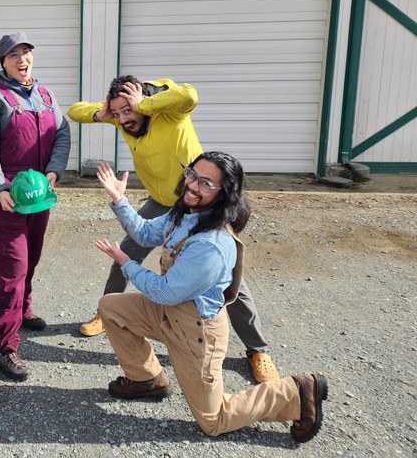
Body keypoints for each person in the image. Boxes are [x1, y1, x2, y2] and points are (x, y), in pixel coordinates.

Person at [93, 153, 327, 442]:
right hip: (169, 312)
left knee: (214, 421)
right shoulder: (185, 214)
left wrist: (125, 262)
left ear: (224, 194)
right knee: (111, 307)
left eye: (205, 183)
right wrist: (119, 200)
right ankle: (147, 379)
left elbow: (163, 291)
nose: (192, 185)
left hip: (196, 332)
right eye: (192, 174)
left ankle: (296, 392)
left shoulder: (212, 244)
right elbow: (144, 233)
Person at [67, 75, 280, 383]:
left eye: (129, 110)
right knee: (126, 254)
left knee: (231, 280)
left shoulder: (169, 113)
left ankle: (257, 350)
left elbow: (189, 94)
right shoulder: (121, 119)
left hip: (199, 202)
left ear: (143, 103)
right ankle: (107, 312)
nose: (124, 118)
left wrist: (146, 103)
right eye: (118, 113)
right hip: (163, 202)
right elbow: (74, 111)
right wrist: (101, 114)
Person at [0, 32, 71, 381]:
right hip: (5, 199)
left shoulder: (44, 94)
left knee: (30, 258)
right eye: (13, 54)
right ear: (3, 61)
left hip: (37, 195)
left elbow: (61, 132)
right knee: (10, 270)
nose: (22, 59)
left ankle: (22, 312)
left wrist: (54, 171)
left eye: (26, 52)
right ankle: (2, 344)